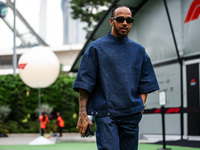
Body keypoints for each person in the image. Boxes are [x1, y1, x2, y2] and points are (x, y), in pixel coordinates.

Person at [73, 6, 159, 150]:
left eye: (129, 20)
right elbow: (84, 84)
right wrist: (83, 115)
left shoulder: (139, 51)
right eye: (120, 19)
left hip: (131, 115)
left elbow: (146, 82)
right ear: (111, 21)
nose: (125, 23)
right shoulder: (96, 48)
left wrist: (140, 107)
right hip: (106, 114)